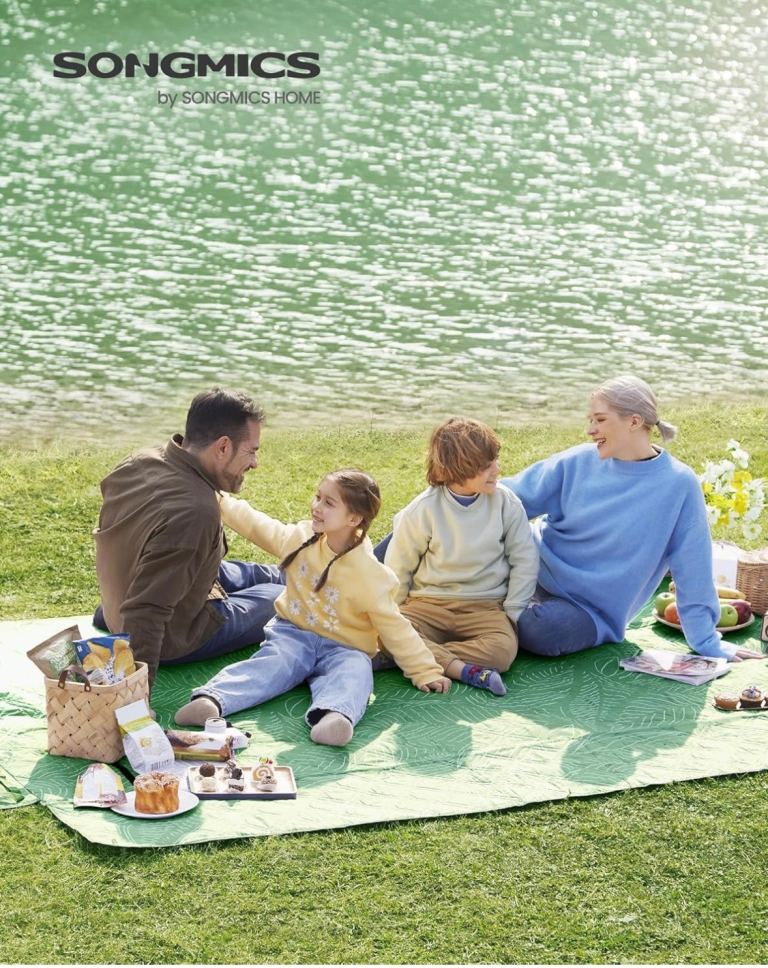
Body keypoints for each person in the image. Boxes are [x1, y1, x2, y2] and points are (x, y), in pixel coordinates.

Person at [174, 469, 451, 747]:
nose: (316, 506)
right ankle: (213, 700)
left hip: (345, 647)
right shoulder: (301, 538)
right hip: (293, 633)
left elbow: (394, 627)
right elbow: (258, 525)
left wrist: (424, 670)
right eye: (318, 497)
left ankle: (334, 716)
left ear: (354, 519)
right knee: (274, 663)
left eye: (329, 503)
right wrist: (220, 500)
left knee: (355, 672)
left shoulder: (370, 575)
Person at [500, 375, 764, 663]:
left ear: (634, 421)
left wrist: (707, 641)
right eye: (590, 420)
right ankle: (489, 615)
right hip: (532, 571)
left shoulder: (678, 485)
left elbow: (693, 566)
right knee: (479, 569)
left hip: (589, 611)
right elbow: (509, 499)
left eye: (599, 420)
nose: (590, 430)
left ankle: (489, 616)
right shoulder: (575, 462)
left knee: (541, 630)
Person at [93, 388, 285, 692]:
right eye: (251, 451)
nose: (255, 463)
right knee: (289, 596)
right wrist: (134, 699)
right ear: (223, 447)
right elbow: (146, 610)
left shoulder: (139, 461)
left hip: (132, 595)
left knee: (275, 573)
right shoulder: (195, 513)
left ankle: (317, 570)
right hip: (176, 632)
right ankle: (327, 581)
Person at [381, 417, 539, 695]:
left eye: (495, 460)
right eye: (485, 466)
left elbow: (524, 558)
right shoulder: (423, 509)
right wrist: (393, 610)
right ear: (456, 469)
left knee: (503, 651)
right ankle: (462, 669)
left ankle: (415, 656)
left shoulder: (506, 502)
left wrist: (513, 611)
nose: (497, 469)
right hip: (427, 604)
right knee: (387, 630)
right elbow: (398, 566)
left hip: (485, 606)